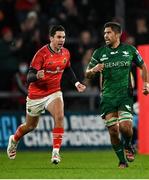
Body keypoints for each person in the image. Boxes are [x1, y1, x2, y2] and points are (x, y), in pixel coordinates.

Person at [7, 25, 86, 164]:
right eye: (58, 37)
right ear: (51, 38)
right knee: (30, 126)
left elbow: (67, 69)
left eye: (63, 37)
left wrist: (76, 83)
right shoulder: (41, 54)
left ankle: (55, 153)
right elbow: (29, 76)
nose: (62, 40)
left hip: (54, 92)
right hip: (36, 95)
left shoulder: (66, 53)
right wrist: (37, 75)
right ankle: (14, 140)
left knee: (60, 116)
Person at [85, 22, 149, 168]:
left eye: (108, 33)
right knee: (113, 131)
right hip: (107, 97)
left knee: (126, 127)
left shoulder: (130, 50)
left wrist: (146, 84)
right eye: (105, 33)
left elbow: (143, 66)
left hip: (125, 94)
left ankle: (127, 145)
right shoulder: (99, 52)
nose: (105, 35)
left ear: (117, 34)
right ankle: (122, 160)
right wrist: (94, 69)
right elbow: (87, 74)